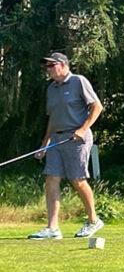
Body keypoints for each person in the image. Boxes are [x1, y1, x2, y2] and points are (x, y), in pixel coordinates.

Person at [28, 52, 104, 241]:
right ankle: (52, 228)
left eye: (51, 65)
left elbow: (97, 106)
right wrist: (44, 143)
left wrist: (83, 129)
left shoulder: (78, 81)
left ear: (63, 65)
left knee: (77, 179)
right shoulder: (51, 88)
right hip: (56, 138)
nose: (48, 69)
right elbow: (52, 119)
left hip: (77, 138)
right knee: (51, 179)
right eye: (47, 66)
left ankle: (93, 221)